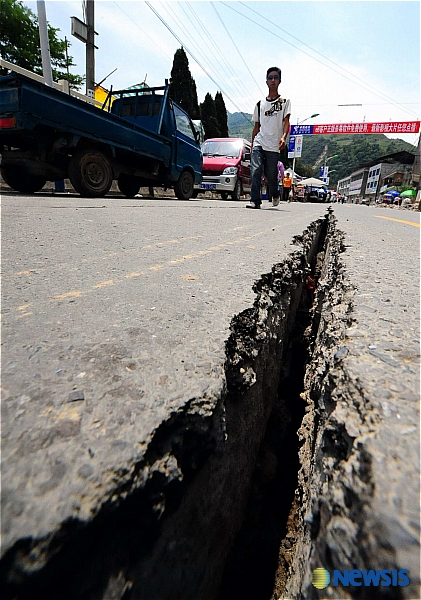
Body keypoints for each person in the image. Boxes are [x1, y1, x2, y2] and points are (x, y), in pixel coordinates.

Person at [247, 67, 291, 209]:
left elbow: (286, 122)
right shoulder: (260, 104)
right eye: (270, 77)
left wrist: (284, 137)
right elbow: (256, 126)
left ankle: (275, 193)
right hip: (260, 141)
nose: (273, 80)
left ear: (279, 81)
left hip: (274, 145)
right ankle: (255, 201)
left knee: (271, 176)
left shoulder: (284, 102)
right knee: (256, 170)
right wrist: (253, 144)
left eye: (275, 77)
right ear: (266, 81)